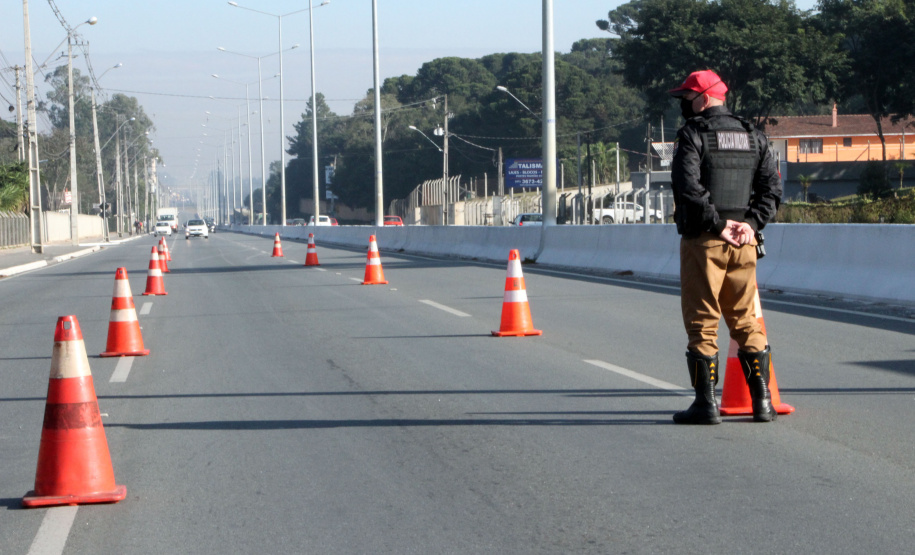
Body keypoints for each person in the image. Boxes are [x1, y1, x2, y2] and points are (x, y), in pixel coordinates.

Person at [668, 69, 782, 424]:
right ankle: (762, 403)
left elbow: (687, 186)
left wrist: (719, 225)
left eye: (687, 97)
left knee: (702, 322)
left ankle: (706, 405)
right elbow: (772, 191)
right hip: (745, 242)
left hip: (706, 240)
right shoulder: (754, 136)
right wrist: (749, 225)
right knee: (747, 319)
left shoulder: (692, 134)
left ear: (703, 98)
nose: (684, 104)